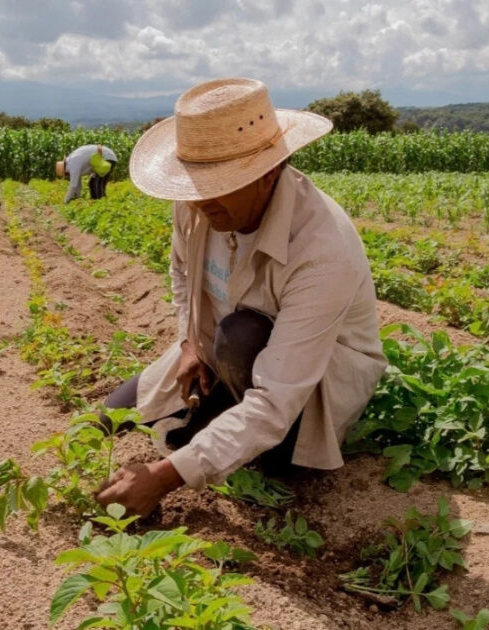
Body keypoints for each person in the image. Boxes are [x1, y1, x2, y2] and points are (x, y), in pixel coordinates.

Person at [94, 78, 387, 517]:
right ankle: (217, 411)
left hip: (306, 384)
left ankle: (267, 454)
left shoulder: (323, 249)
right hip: (219, 353)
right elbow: (180, 271)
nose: (198, 201)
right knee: (106, 417)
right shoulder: (195, 204)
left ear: (267, 172)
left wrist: (164, 477)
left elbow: (274, 402)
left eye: (216, 184)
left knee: (240, 335)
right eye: (193, 185)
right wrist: (189, 341)